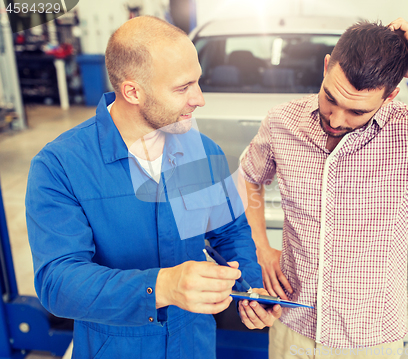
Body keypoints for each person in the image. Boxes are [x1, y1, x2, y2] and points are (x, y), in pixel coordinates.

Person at [241, 18, 408, 358]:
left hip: (371, 338)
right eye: (330, 98)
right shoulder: (282, 122)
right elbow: (249, 176)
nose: (335, 119)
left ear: (390, 96)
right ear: (326, 66)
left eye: (356, 111)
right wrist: (261, 245)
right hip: (294, 326)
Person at [25, 16, 280, 359]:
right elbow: (58, 282)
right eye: (182, 87)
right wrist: (162, 287)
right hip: (115, 349)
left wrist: (251, 287)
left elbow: (228, 232)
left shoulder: (200, 151)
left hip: (194, 345)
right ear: (132, 91)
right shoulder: (61, 166)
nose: (199, 99)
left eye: (197, 82)